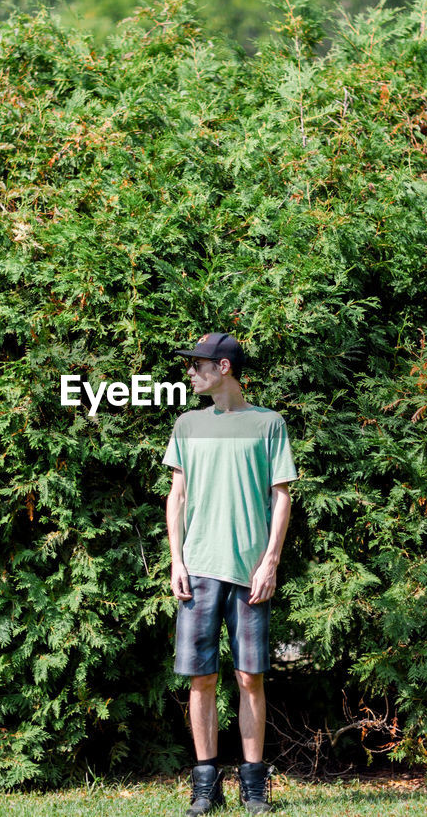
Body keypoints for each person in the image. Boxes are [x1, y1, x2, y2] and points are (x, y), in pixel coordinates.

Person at [162, 332, 297, 816]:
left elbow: (281, 496)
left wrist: (271, 562)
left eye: (196, 366)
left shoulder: (268, 424)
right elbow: (175, 498)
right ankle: (205, 786)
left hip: (249, 571)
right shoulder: (187, 424)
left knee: (249, 678)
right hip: (197, 568)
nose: (189, 373)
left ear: (223, 367)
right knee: (200, 680)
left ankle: (254, 787)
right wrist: (176, 560)